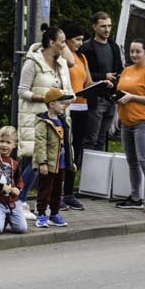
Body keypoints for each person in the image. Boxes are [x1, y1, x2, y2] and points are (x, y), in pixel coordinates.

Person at [16, 25, 70, 209]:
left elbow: (68, 90)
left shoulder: (62, 64)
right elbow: (22, 91)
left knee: (52, 160)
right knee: (36, 160)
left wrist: (67, 99)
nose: (64, 46)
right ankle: (19, 200)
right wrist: (44, 98)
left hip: (57, 118)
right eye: (62, 42)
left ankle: (45, 203)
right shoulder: (32, 62)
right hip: (37, 118)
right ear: (51, 42)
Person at [114, 39, 145, 212]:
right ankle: (135, 197)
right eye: (131, 51)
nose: (134, 55)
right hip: (126, 120)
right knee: (132, 161)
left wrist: (132, 97)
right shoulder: (127, 70)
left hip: (144, 120)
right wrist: (115, 95)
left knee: (144, 159)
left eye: (138, 52)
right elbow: (121, 91)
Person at [78, 11, 123, 156]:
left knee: (102, 139)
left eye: (109, 26)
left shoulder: (114, 46)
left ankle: (98, 166)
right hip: (95, 98)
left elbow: (119, 69)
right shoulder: (86, 48)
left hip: (111, 98)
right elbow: (83, 73)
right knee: (91, 138)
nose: (107, 29)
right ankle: (86, 166)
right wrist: (104, 76)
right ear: (94, 26)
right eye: (103, 26)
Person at [58, 21, 88, 211]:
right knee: (63, 150)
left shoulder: (82, 57)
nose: (80, 43)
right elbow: (68, 62)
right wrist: (64, 45)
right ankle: (58, 193)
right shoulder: (62, 56)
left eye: (82, 40)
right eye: (77, 39)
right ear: (66, 40)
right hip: (67, 108)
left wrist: (103, 83)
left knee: (75, 151)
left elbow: (88, 82)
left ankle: (68, 192)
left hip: (82, 107)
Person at [30, 87, 71, 228]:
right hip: (48, 163)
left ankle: (54, 214)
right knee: (45, 190)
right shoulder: (43, 123)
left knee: (57, 190)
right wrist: (43, 162)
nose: (64, 105)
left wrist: (71, 160)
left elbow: (68, 142)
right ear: (52, 104)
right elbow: (40, 144)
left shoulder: (63, 121)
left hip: (61, 163)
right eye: (61, 103)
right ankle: (41, 215)